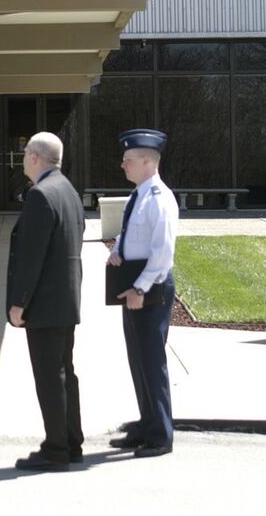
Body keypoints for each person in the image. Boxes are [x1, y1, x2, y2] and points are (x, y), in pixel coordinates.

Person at [5, 130, 85, 471]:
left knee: (50, 378)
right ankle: (71, 442)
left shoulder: (40, 194)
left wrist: (19, 303)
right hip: (65, 300)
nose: (23, 159)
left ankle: (56, 450)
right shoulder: (67, 189)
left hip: (45, 303)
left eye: (25, 154)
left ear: (36, 158)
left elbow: (31, 257)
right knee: (65, 373)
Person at [105, 128, 179, 458]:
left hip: (149, 288)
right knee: (138, 360)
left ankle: (161, 435)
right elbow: (129, 234)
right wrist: (117, 250)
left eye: (129, 160)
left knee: (152, 361)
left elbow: (162, 253)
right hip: (134, 284)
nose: (124, 165)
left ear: (148, 161)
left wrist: (139, 288)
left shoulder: (161, 199)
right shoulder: (139, 196)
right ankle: (146, 424)